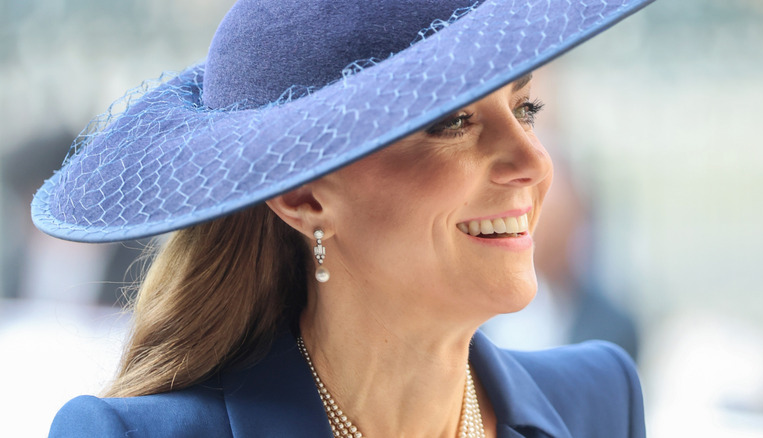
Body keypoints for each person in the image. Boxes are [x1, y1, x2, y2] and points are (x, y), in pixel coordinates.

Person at [34, 0, 654, 436]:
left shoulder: (597, 403)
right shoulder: (131, 436)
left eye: (526, 107)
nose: (533, 161)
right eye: (452, 122)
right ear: (303, 198)